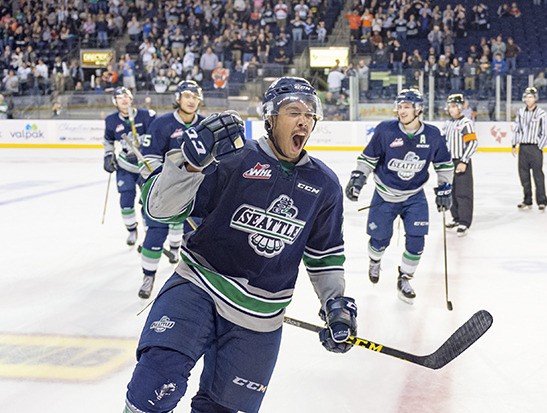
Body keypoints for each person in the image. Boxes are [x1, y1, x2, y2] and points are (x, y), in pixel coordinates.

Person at [123, 77, 357, 412]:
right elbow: (161, 210)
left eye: (310, 114)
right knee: (154, 385)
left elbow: (325, 256)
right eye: (294, 111)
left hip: (260, 318)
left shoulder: (324, 185)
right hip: (198, 288)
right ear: (271, 117)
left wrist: (335, 304)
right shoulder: (233, 159)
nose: (304, 120)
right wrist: (189, 164)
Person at [345, 88, 454, 304]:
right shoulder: (386, 130)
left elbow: (443, 164)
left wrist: (445, 188)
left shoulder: (432, 135)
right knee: (379, 241)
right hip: (385, 195)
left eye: (406, 107)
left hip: (414, 196)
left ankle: (404, 278)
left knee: (416, 241)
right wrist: (358, 178)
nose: (401, 111)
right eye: (400, 106)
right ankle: (375, 261)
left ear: (419, 109)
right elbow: (368, 158)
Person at [137, 80, 206, 299]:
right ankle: (148, 276)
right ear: (178, 99)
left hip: (196, 194)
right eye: (187, 96)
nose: (191, 100)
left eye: (195, 97)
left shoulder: (205, 126)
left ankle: (194, 282)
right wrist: (167, 182)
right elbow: (148, 159)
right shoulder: (161, 124)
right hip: (165, 193)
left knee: (197, 237)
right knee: (156, 233)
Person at [103, 87, 156, 246]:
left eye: (126, 96)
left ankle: (149, 232)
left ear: (131, 98)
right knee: (126, 201)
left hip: (145, 166)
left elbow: (156, 137)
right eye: (119, 98)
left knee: (147, 201)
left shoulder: (147, 116)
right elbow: (108, 141)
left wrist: (145, 151)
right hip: (125, 166)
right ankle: (132, 230)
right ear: (115, 102)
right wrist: (108, 156)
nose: (124, 100)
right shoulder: (111, 121)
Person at [442, 93, 479, 236]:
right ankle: (456, 218)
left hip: (461, 161)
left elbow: (473, 143)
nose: (451, 109)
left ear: (459, 107)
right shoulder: (448, 124)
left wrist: (464, 160)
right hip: (449, 162)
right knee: (451, 191)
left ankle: (464, 221)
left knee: (463, 192)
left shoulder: (466, 123)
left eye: (453, 106)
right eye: (449, 106)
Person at [512, 87, 547, 211]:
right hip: (523, 147)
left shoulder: (542, 113)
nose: (528, 99)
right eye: (527, 97)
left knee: (538, 175)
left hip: (535, 148)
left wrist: (539, 146)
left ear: (535, 98)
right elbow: (517, 129)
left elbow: (545, 132)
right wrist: (514, 144)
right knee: (523, 175)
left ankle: (542, 200)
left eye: (531, 97)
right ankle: (527, 199)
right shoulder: (521, 112)